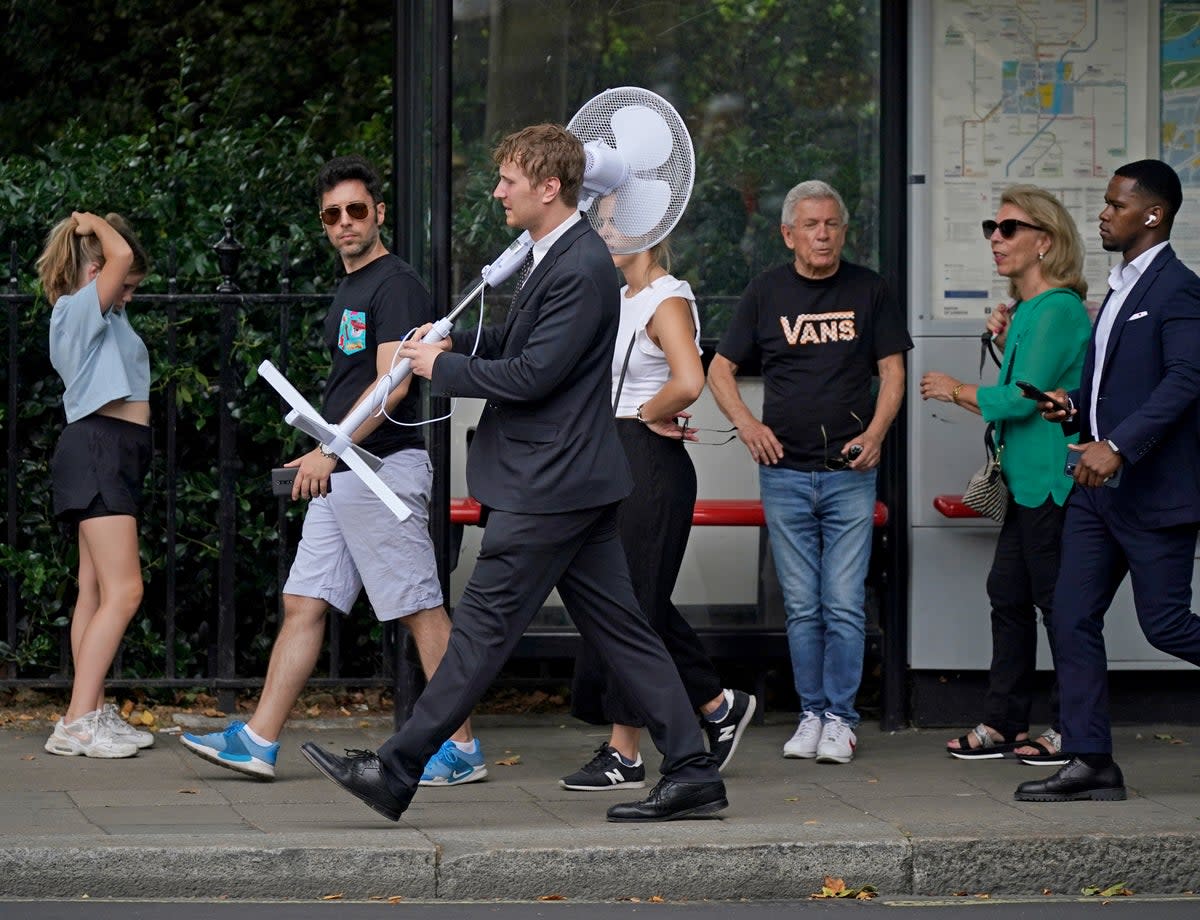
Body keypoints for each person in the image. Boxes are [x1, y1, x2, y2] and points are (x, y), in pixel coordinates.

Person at [299, 124, 727, 823]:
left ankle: (396, 768)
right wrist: (453, 337)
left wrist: (444, 369)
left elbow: (534, 376)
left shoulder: (581, 263)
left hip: (549, 485)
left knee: (480, 634)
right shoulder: (557, 255)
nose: (497, 190)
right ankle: (692, 768)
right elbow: (516, 344)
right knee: (625, 633)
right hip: (570, 482)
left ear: (549, 188)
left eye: (508, 180)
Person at [181, 155, 482, 785]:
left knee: (418, 607)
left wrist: (330, 449)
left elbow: (391, 386)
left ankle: (462, 746)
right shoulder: (353, 287)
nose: (344, 223)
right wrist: (324, 449)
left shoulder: (395, 284)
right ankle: (259, 740)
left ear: (377, 212)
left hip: (381, 468)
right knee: (303, 602)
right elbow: (359, 385)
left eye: (355, 210)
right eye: (331, 214)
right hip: (347, 466)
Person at [1015, 159, 1200, 803]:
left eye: (1115, 204)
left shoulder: (1178, 290)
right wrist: (1077, 405)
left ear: (1153, 214)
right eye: (1105, 202)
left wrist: (1117, 443)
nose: (1103, 213)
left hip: (1151, 491)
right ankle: (1091, 759)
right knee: (1070, 616)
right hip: (1098, 494)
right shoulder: (1118, 286)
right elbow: (1120, 379)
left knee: (1167, 626)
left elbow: (1184, 380)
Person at [708, 180, 911, 765]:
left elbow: (892, 373)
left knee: (844, 603)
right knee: (802, 605)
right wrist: (748, 425)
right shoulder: (765, 291)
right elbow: (721, 370)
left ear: (843, 231)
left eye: (832, 225)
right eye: (811, 226)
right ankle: (811, 714)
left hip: (849, 472)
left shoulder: (870, 289)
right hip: (785, 473)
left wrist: (874, 435)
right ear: (788, 234)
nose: (822, 235)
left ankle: (842, 720)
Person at [562, 237, 756, 791]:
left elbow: (690, 380)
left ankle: (626, 753)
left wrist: (647, 413)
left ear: (649, 233)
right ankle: (718, 707)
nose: (602, 241)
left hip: (647, 464)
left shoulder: (667, 300)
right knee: (625, 597)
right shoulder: (619, 297)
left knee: (633, 607)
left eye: (615, 230)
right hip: (615, 458)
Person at [919, 185, 1091, 764]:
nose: (996, 236)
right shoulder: (1028, 311)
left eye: (1010, 228)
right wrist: (1001, 339)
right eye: (993, 227)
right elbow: (1020, 388)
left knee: (1058, 607)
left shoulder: (1060, 307)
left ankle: (1072, 728)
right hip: (1025, 482)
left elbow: (1022, 401)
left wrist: (955, 389)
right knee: (1008, 596)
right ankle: (1004, 723)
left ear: (1045, 240)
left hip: (1051, 482)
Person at [39, 211, 157, 759]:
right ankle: (78, 721)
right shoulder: (78, 310)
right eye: (124, 287)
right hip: (99, 450)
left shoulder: (95, 316)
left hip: (107, 452)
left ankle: (88, 710)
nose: (128, 294)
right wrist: (91, 220)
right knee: (126, 590)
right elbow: (123, 257)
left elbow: (123, 262)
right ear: (95, 271)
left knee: (95, 590)